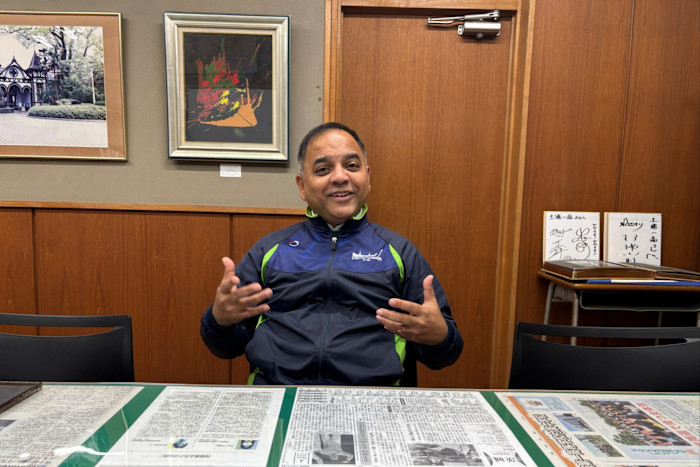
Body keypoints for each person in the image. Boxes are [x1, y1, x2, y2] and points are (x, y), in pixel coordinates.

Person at [200, 122, 463, 386]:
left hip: (373, 406)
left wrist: (440, 336)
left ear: (367, 177)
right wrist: (219, 320)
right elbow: (225, 348)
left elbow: (444, 354)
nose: (339, 177)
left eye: (352, 166)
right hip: (277, 398)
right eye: (323, 169)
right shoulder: (269, 251)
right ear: (302, 186)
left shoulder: (399, 253)